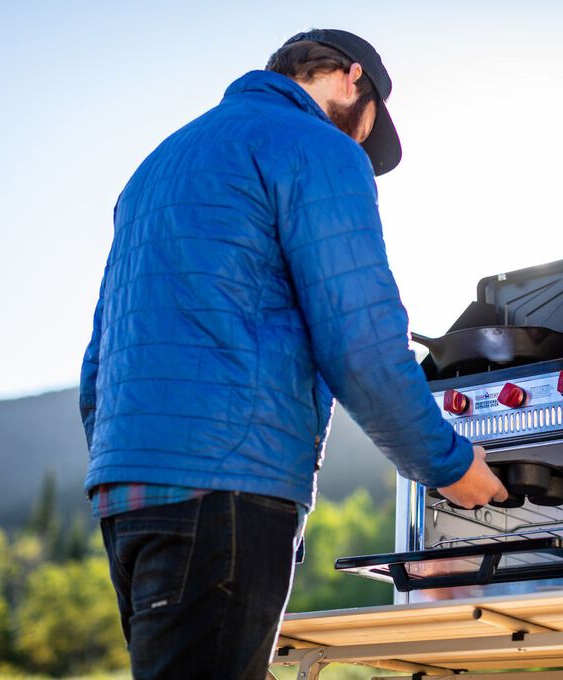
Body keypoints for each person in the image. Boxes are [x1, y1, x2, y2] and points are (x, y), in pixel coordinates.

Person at [79, 29, 508, 679]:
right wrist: (448, 465)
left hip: (127, 494)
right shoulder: (318, 147)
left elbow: (99, 364)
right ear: (350, 78)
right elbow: (359, 337)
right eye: (367, 129)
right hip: (226, 485)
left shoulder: (157, 167)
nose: (360, 143)